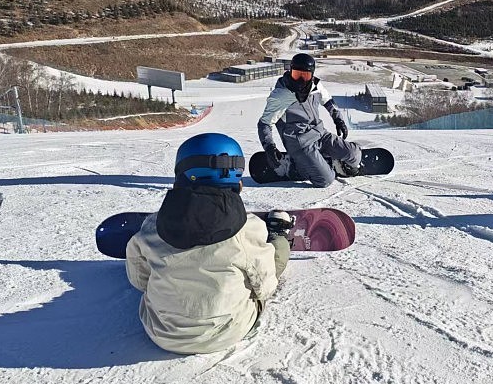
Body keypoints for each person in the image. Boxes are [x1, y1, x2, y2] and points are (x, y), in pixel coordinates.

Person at [125, 133, 294, 354]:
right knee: (271, 260)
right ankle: (279, 234)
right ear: (237, 177)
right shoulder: (248, 228)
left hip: (161, 332)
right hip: (226, 334)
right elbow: (265, 287)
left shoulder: (152, 226)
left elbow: (139, 281)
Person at [257, 52, 362, 187]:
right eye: (296, 74)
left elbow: (328, 101)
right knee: (326, 180)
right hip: (300, 143)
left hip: (320, 133)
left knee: (354, 155)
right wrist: (269, 146)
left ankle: (325, 162)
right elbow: (264, 124)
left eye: (304, 76)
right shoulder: (281, 95)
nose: (300, 80)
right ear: (290, 71)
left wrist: (338, 119)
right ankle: (293, 167)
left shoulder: (316, 87)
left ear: (311, 75)